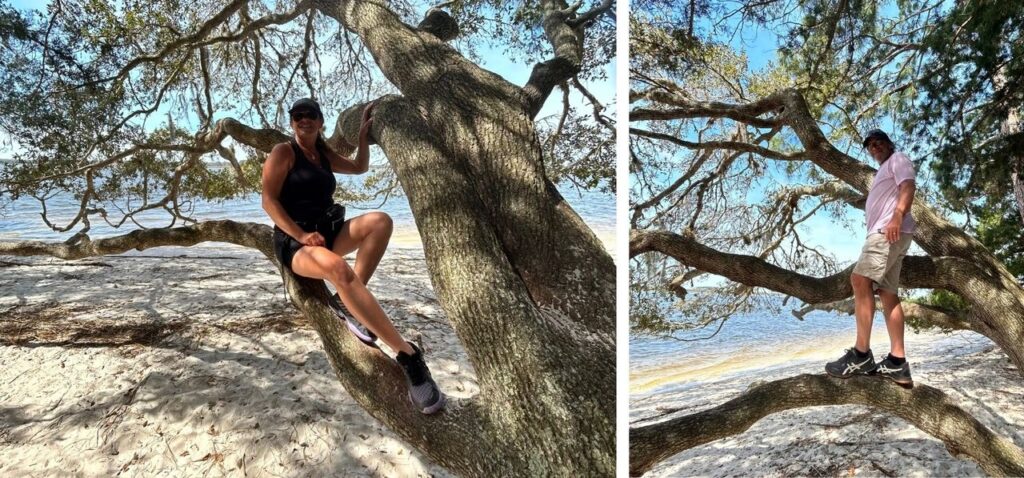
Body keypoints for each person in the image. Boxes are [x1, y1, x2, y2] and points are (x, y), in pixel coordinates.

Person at [262, 97, 446, 414]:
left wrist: (362, 137)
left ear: (320, 122)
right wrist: (301, 235)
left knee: (380, 222)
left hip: (326, 232)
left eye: (310, 115)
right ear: (292, 121)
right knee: (340, 271)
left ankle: (347, 304)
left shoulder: (322, 154)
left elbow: (360, 167)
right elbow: (268, 201)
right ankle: (409, 356)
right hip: (297, 243)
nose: (303, 119)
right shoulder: (284, 152)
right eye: (297, 115)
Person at [825, 129, 915, 387]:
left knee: (860, 280)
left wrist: (897, 215)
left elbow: (908, 185)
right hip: (892, 233)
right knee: (888, 293)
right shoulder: (884, 169)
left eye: (879, 143)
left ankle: (861, 355)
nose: (874, 147)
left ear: (889, 144)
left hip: (888, 231)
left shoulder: (897, 159)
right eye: (870, 145)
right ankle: (898, 362)